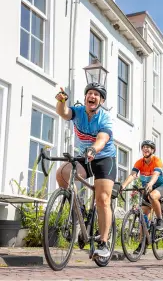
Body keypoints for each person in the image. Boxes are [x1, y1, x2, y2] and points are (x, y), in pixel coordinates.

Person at [55, 83, 116, 259]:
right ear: (85, 98)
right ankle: (79, 209)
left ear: (101, 100)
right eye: (89, 93)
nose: (92, 96)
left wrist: (94, 149)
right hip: (85, 156)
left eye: (96, 94)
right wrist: (61, 101)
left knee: (102, 198)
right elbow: (64, 112)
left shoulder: (105, 118)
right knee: (62, 173)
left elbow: (103, 138)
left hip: (104, 158)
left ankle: (103, 243)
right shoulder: (79, 112)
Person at [121, 140, 163, 254]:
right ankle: (142, 243)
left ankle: (160, 220)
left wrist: (151, 184)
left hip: (159, 187)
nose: (146, 149)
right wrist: (123, 185)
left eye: (148, 147)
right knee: (143, 218)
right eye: (144, 147)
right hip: (146, 189)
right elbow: (133, 175)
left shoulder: (157, 161)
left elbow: (156, 174)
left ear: (153, 150)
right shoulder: (139, 162)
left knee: (152, 196)